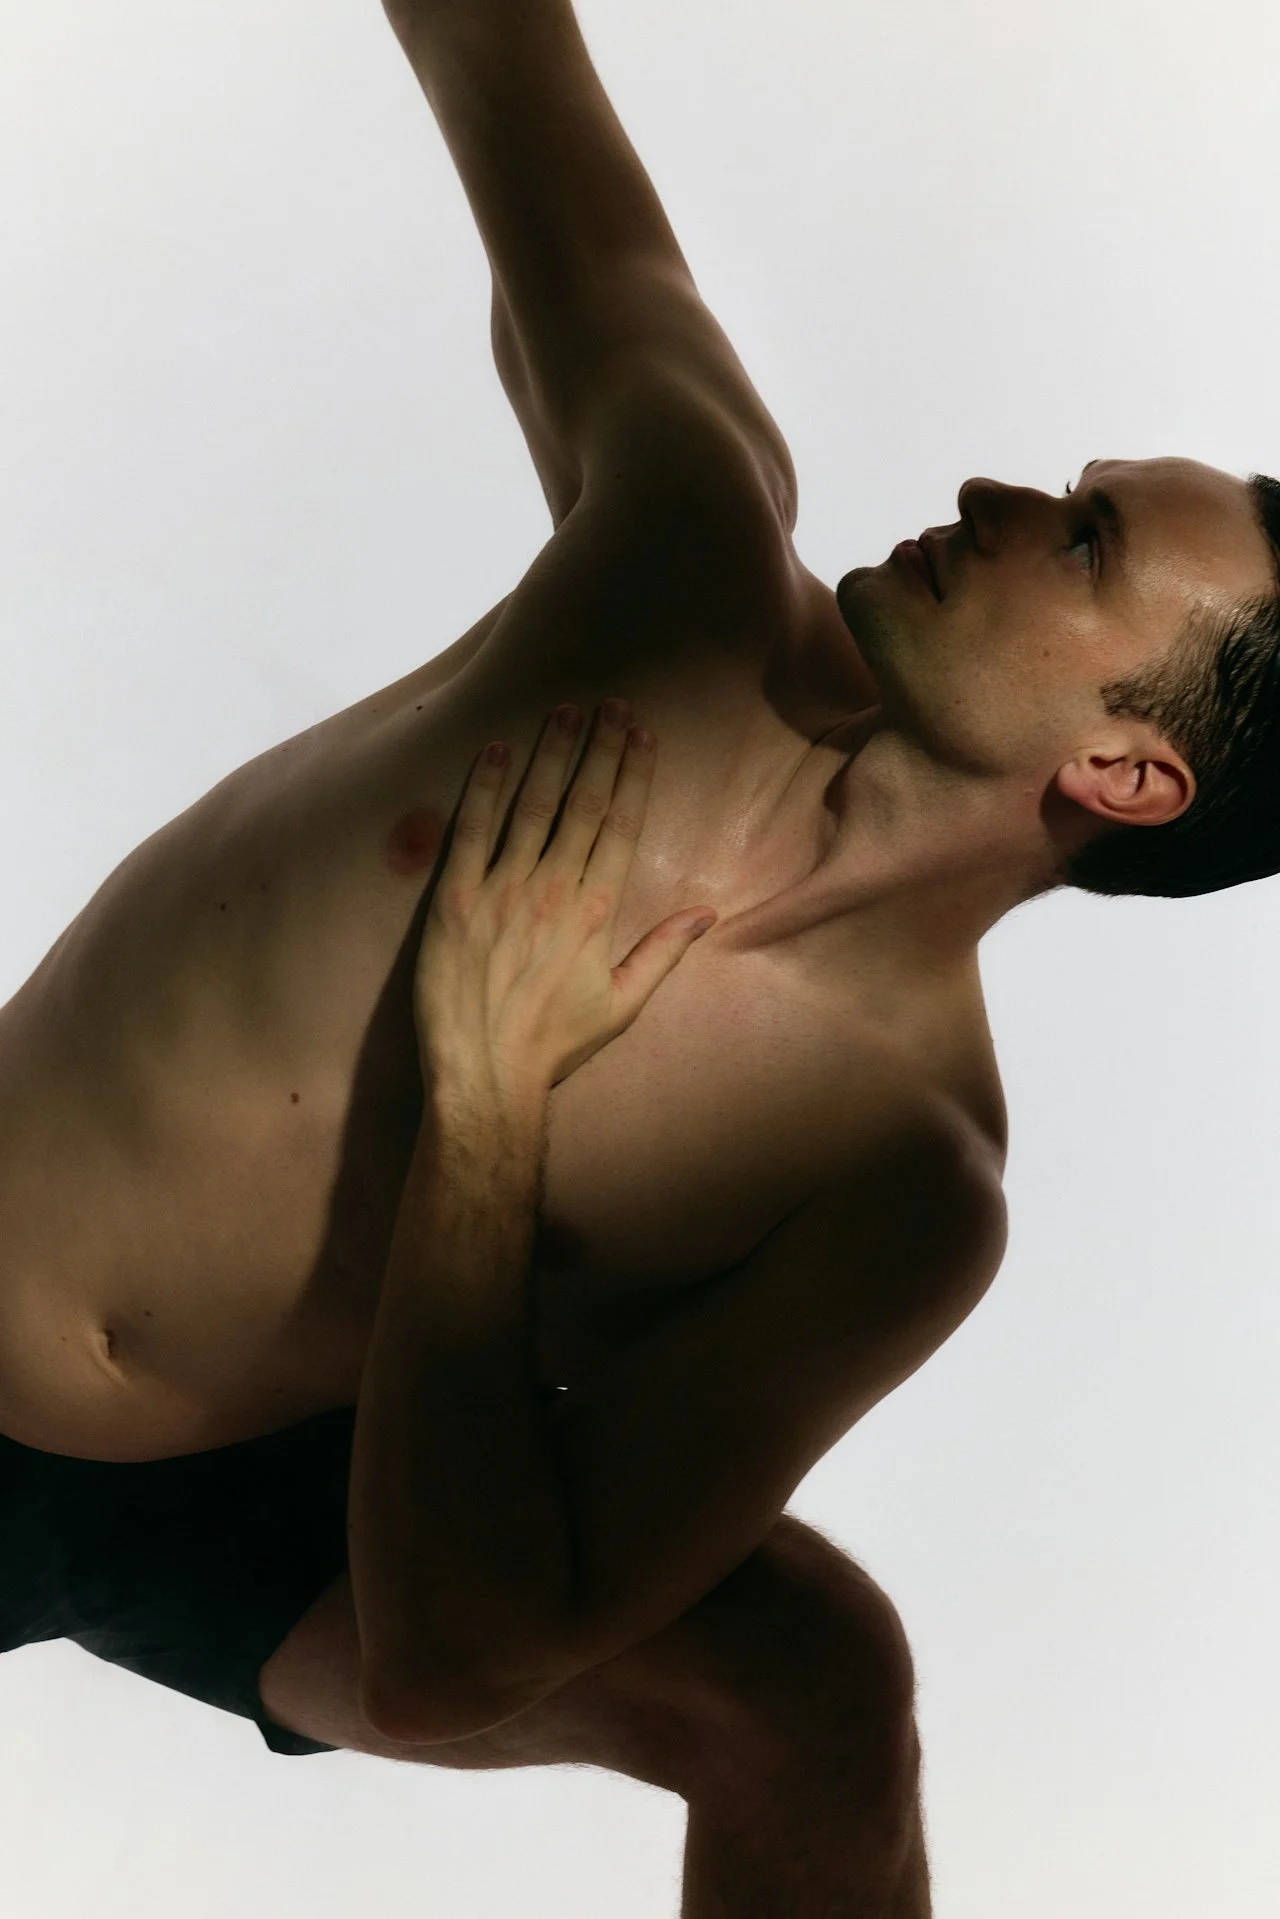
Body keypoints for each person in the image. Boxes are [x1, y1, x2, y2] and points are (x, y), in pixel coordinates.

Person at [4, 1, 1280, 1910]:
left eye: (1084, 542)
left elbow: (454, 1655)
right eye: (1066, 486)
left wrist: (489, 1110)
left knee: (817, 1692)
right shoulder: (678, 554)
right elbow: (504, 65)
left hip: (278, 1481)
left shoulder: (902, 1180)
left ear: (1126, 770)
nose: (1002, 499)